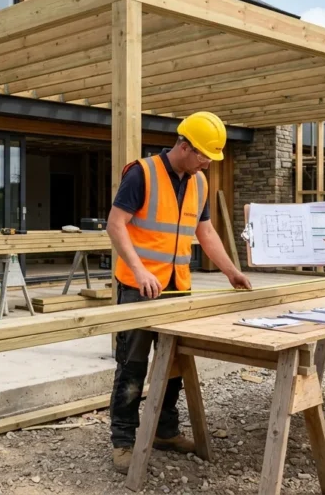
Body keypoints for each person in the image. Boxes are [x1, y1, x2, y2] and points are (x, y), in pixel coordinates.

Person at [106, 111, 252, 474]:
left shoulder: (199, 182)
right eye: (203, 154)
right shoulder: (141, 173)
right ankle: (123, 442)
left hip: (177, 288)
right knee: (132, 367)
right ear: (183, 145)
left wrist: (231, 270)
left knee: (173, 365)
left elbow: (206, 232)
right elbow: (115, 224)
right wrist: (139, 270)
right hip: (138, 289)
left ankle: (166, 431)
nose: (207, 162)